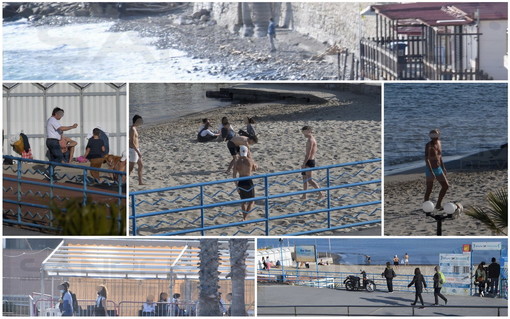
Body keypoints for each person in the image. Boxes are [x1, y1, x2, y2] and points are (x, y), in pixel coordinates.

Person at [45, 107, 78, 179]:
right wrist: (72, 127)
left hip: (51, 141)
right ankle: (48, 171)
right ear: (56, 114)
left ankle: (51, 174)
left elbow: (59, 131)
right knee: (59, 157)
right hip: (53, 141)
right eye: (60, 115)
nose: (61, 117)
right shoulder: (53, 120)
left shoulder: (51, 120)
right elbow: (61, 128)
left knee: (53, 158)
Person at [424, 129, 449, 210]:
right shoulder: (428, 145)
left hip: (438, 168)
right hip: (430, 169)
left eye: (436, 135)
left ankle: (438, 204)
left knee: (445, 186)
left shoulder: (439, 143)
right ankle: (426, 206)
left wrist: (443, 167)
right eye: (432, 136)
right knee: (429, 189)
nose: (434, 137)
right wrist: (431, 172)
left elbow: (439, 156)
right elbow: (427, 159)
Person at [232, 145, 258, 220]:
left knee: (243, 201)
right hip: (248, 181)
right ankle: (245, 218)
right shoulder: (250, 161)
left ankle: (244, 218)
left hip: (241, 181)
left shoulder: (237, 162)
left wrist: (236, 186)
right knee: (251, 201)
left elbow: (234, 175)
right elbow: (255, 168)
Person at [301, 126, 323, 200]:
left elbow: (309, 153)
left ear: (308, 131)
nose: (303, 133)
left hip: (309, 161)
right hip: (309, 160)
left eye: (303, 132)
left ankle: (320, 193)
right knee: (304, 178)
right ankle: (304, 195)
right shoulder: (311, 139)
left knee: (309, 180)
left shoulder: (311, 140)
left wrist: (304, 163)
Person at [129, 114, 144, 185]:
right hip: (133, 150)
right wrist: (137, 151)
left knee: (141, 165)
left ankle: (140, 182)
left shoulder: (135, 128)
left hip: (136, 149)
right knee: (131, 168)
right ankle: (124, 181)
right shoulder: (132, 129)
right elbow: (131, 142)